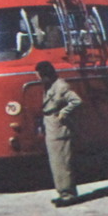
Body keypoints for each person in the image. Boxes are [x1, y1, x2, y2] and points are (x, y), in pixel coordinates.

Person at [36, 61, 83, 207]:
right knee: (56, 163)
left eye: (39, 75)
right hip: (52, 128)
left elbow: (76, 101)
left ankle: (68, 195)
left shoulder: (61, 86)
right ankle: (63, 192)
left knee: (62, 162)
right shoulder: (50, 86)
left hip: (59, 129)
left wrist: (63, 112)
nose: (37, 78)